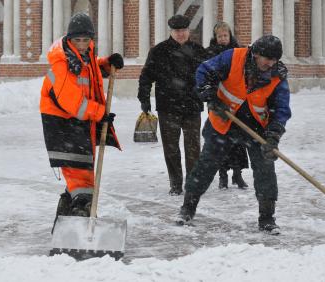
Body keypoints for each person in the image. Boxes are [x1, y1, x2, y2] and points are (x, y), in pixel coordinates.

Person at [177, 35, 291, 234]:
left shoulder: (277, 76)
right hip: (223, 121)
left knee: (265, 169)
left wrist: (273, 136)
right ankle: (188, 208)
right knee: (206, 165)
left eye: (274, 60)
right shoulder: (232, 57)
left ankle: (267, 218)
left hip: (257, 127)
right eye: (266, 59)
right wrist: (210, 96)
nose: (270, 63)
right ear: (255, 54)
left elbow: (281, 109)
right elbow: (204, 71)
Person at [40, 13, 124, 219]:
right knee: (81, 176)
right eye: (77, 40)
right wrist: (99, 113)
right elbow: (71, 101)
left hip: (77, 123)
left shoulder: (82, 57)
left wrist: (105, 64)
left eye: (86, 40)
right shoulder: (62, 63)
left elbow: (89, 70)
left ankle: (67, 214)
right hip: (63, 124)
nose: (82, 44)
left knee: (80, 168)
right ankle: (80, 224)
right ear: (69, 39)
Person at [138, 15, 207, 195]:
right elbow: (146, 77)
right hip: (168, 106)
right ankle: (175, 183)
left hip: (192, 105)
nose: (181, 34)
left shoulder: (199, 51)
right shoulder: (159, 51)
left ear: (188, 31)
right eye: (177, 31)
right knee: (171, 148)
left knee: (193, 147)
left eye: (184, 30)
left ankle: (193, 182)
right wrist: (144, 98)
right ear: (171, 31)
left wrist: (209, 95)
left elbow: (209, 76)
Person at [206, 22, 249, 189]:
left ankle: (237, 175)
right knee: (220, 138)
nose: (223, 39)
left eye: (225, 35)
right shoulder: (210, 54)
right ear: (215, 38)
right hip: (218, 101)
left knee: (238, 140)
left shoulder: (238, 52)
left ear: (230, 35)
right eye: (220, 36)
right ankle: (222, 175)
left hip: (237, 101)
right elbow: (207, 76)